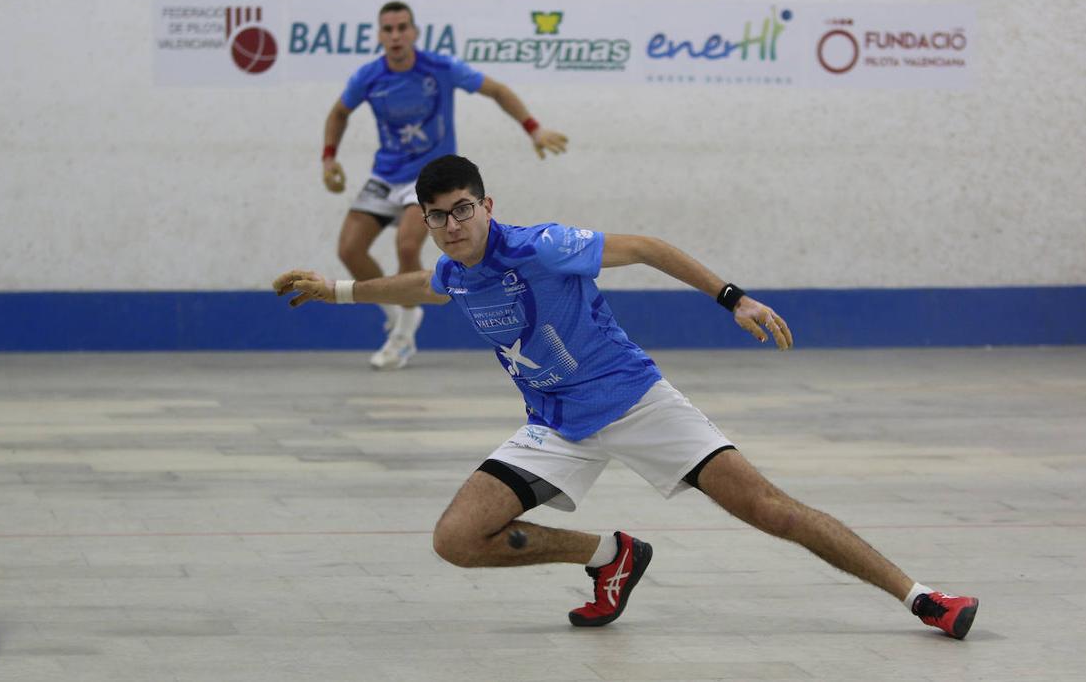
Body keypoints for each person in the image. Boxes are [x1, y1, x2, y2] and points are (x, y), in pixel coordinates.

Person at [274, 154, 980, 639]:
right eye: (438, 216)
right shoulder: (455, 272)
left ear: (488, 205)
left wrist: (730, 297)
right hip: (553, 426)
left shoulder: (542, 246)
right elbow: (422, 286)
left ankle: (921, 597)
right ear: (426, 222)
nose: (453, 225)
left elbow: (643, 246)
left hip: (635, 403)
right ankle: (609, 554)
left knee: (770, 509)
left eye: (463, 210)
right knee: (456, 539)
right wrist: (336, 291)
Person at [321, 0, 568, 369]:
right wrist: (329, 157)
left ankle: (403, 338)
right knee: (349, 249)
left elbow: (497, 91)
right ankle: (399, 316)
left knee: (407, 245)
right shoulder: (369, 77)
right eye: (387, 29)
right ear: (379, 35)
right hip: (385, 175)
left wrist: (534, 129)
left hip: (427, 177)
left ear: (415, 32)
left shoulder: (440, 68)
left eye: (402, 27)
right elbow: (339, 112)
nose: (395, 35)